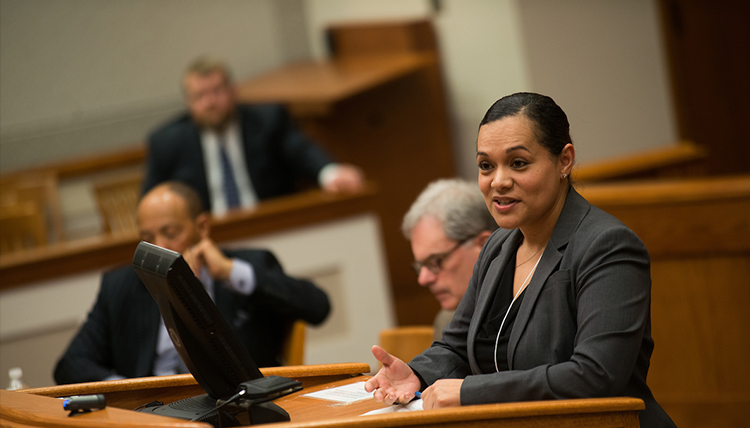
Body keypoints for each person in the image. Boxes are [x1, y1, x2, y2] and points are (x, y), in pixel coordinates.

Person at [365, 93, 675, 427]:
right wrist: (415, 374)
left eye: (518, 163)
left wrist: (472, 391)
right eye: (486, 166)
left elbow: (595, 375)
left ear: (564, 161)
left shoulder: (607, 246)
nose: (498, 181)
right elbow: (455, 347)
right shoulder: (500, 246)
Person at [54, 182, 330, 384]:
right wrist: (128, 390)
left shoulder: (248, 264)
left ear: (202, 228)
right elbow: (71, 365)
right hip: (154, 415)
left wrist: (230, 272)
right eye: (147, 238)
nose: (159, 247)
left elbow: (318, 306)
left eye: (170, 233)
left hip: (237, 409)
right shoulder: (122, 285)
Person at [142, 56, 364, 215]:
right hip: (208, 239)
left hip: (270, 225)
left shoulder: (268, 120)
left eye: (217, 92)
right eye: (200, 96)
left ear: (233, 91)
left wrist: (330, 173)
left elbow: (301, 150)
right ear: (188, 103)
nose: (210, 102)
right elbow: (148, 201)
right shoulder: (166, 142)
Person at [401, 179, 497, 339]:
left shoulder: (534, 307)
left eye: (435, 261)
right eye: (420, 266)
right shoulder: (448, 320)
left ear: (484, 246)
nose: (423, 279)